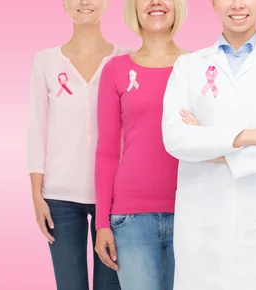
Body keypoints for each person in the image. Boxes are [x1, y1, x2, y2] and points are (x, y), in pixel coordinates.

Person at [161, 0, 256, 289]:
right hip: (205, 220)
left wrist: (209, 148)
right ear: (214, 4)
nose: (237, 5)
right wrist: (255, 135)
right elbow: (176, 138)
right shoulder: (188, 66)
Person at [26, 0, 128, 289]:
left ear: (107, 4)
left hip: (114, 196)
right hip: (59, 197)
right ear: (64, 4)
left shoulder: (125, 60)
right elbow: (37, 130)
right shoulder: (45, 61)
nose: (85, 2)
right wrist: (37, 195)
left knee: (112, 285)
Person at [93, 0, 188, 289]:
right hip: (130, 218)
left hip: (191, 210)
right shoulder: (115, 70)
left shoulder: (198, 66)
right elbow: (107, 151)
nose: (156, 2)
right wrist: (101, 224)